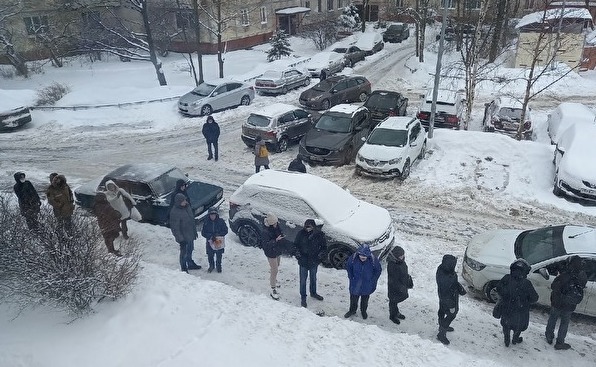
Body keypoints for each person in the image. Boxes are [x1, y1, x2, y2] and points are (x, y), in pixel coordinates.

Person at [545, 256, 588, 350]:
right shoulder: (582, 276)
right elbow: (583, 286)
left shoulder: (564, 275)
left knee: (553, 318)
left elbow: (553, 286)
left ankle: (549, 336)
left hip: (557, 302)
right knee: (564, 323)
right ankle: (560, 342)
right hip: (570, 305)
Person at [496, 258, 539, 347]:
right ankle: (515, 339)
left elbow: (499, 288)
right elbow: (534, 298)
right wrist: (526, 300)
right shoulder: (526, 283)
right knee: (518, 326)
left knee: (506, 325)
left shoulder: (507, 278)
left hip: (506, 308)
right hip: (520, 311)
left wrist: (506, 296)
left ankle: (506, 339)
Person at [293, 219, 327, 308]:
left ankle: (313, 293)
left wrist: (321, 255)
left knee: (313, 278)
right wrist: (297, 254)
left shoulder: (319, 235)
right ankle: (303, 297)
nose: (308, 229)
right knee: (303, 280)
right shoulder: (300, 234)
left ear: (313, 227)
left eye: (310, 227)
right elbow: (295, 245)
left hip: (314, 261)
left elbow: (324, 247)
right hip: (303, 261)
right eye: (306, 227)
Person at [344, 245, 382, 320]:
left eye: (364, 258)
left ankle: (363, 311)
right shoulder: (353, 258)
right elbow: (349, 267)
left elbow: (378, 270)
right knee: (353, 298)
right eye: (361, 257)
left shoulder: (373, 260)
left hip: (367, 284)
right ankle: (352, 310)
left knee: (365, 300)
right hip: (355, 283)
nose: (362, 259)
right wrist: (351, 277)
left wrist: (373, 279)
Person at [435, 254, 467, 345]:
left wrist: (459, 288)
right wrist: (452, 305)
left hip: (444, 298)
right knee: (452, 314)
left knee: (442, 310)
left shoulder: (443, 269)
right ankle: (441, 333)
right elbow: (446, 293)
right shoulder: (447, 277)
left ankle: (442, 325)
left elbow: (453, 283)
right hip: (449, 300)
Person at [169, 193, 201, 272]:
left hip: (190, 234)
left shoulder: (187, 207)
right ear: (179, 202)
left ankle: (190, 263)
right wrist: (180, 239)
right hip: (183, 237)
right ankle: (183, 268)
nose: (185, 202)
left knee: (190, 249)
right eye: (183, 201)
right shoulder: (175, 212)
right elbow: (175, 228)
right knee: (184, 253)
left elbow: (190, 218)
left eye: (185, 200)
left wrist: (194, 228)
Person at [387, 246, 413, 324]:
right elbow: (393, 279)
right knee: (393, 302)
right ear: (396, 256)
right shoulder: (392, 265)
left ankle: (396, 313)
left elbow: (404, 273)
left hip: (402, 285)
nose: (402, 257)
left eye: (403, 255)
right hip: (394, 288)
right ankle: (392, 316)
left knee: (395, 301)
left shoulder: (401, 262)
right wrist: (400, 287)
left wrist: (408, 280)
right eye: (400, 256)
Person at [263, 213, 285, 300]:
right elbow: (266, 245)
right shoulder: (266, 231)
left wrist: (281, 236)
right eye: (275, 223)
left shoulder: (276, 226)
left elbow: (280, 232)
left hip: (277, 250)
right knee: (274, 269)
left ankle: (274, 280)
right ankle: (273, 288)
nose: (276, 224)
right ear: (271, 224)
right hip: (271, 253)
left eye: (276, 223)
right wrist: (276, 240)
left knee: (276, 266)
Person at [93, 192, 122, 256]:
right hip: (108, 224)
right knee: (109, 237)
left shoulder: (96, 205)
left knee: (108, 237)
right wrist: (117, 214)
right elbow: (112, 213)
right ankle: (111, 252)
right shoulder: (104, 206)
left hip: (103, 224)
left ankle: (111, 250)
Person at [201, 207, 228, 273]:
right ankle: (211, 266)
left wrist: (218, 235)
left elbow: (225, 230)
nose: (212, 216)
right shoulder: (206, 222)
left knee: (219, 255)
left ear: (216, 215)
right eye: (211, 215)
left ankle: (218, 266)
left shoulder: (221, 222)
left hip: (218, 241)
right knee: (210, 255)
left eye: (214, 215)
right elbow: (203, 232)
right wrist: (209, 236)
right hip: (210, 242)